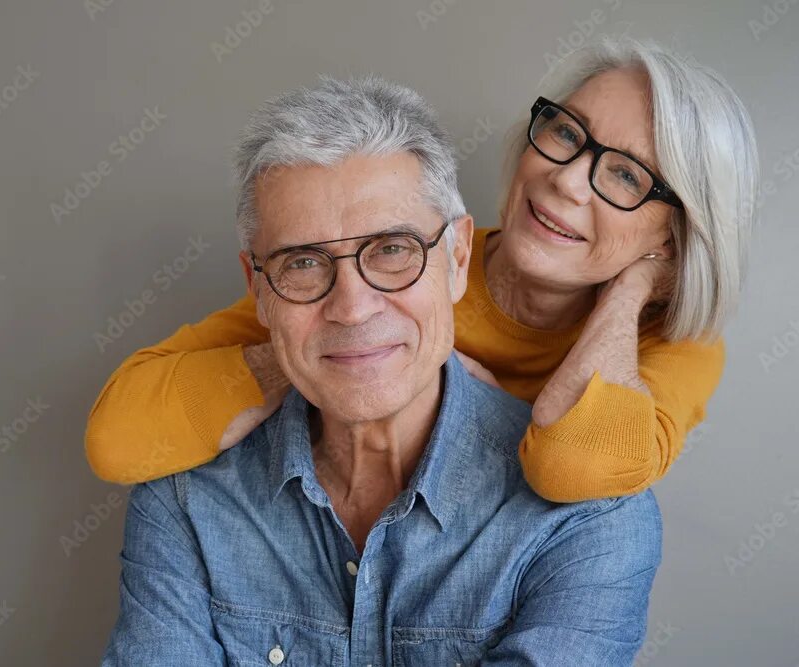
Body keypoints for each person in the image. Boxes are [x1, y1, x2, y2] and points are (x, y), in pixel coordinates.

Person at [100, 74, 662, 665]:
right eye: (304, 263)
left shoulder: (590, 523)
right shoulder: (185, 501)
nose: (351, 307)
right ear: (258, 291)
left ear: (458, 258)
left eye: (393, 250)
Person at [85, 37, 759, 502]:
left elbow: (574, 466)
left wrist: (633, 287)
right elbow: (119, 438)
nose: (566, 181)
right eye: (566, 133)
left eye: (625, 175)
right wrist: (325, 350)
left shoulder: (672, 345)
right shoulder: (401, 264)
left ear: (673, 235)